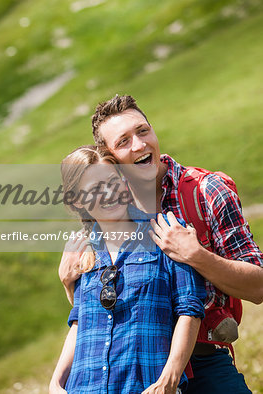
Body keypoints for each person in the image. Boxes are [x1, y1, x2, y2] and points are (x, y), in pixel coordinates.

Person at [59, 95, 263, 394]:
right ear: (112, 159)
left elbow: (259, 288)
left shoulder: (207, 191)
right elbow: (97, 315)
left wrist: (196, 256)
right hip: (127, 366)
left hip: (203, 358)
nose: (140, 145)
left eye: (143, 131)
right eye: (124, 141)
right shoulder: (107, 205)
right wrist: (69, 284)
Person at [49, 146, 206, 394]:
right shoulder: (83, 250)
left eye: (112, 182)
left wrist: (168, 380)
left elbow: (190, 310)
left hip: (146, 387)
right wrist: (55, 383)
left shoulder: (165, 232)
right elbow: (80, 324)